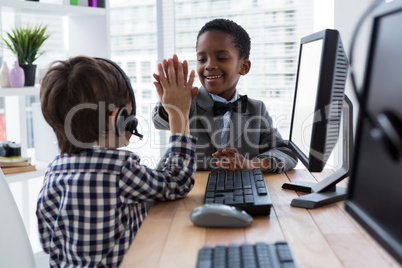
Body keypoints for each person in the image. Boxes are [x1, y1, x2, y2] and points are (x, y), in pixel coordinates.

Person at [36, 56, 197, 267]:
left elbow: (51, 245)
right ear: (120, 119)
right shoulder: (119, 171)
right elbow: (177, 181)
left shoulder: (53, 173)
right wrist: (179, 114)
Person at [152, 18, 297, 173]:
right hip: (188, 191)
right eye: (202, 59)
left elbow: (286, 153)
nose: (209, 65)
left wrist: (251, 164)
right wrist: (171, 104)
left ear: (244, 67)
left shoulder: (256, 109)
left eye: (221, 58)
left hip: (238, 191)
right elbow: (160, 121)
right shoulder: (188, 102)